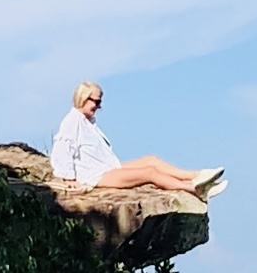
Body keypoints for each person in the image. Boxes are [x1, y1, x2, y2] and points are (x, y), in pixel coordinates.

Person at [49, 82, 226, 196]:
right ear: (83, 98)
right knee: (149, 173)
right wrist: (69, 178)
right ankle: (195, 189)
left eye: (99, 102)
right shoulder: (72, 121)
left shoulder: (87, 122)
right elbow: (62, 149)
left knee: (151, 160)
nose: (97, 106)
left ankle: (197, 176)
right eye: (94, 101)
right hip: (95, 176)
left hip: (106, 168)